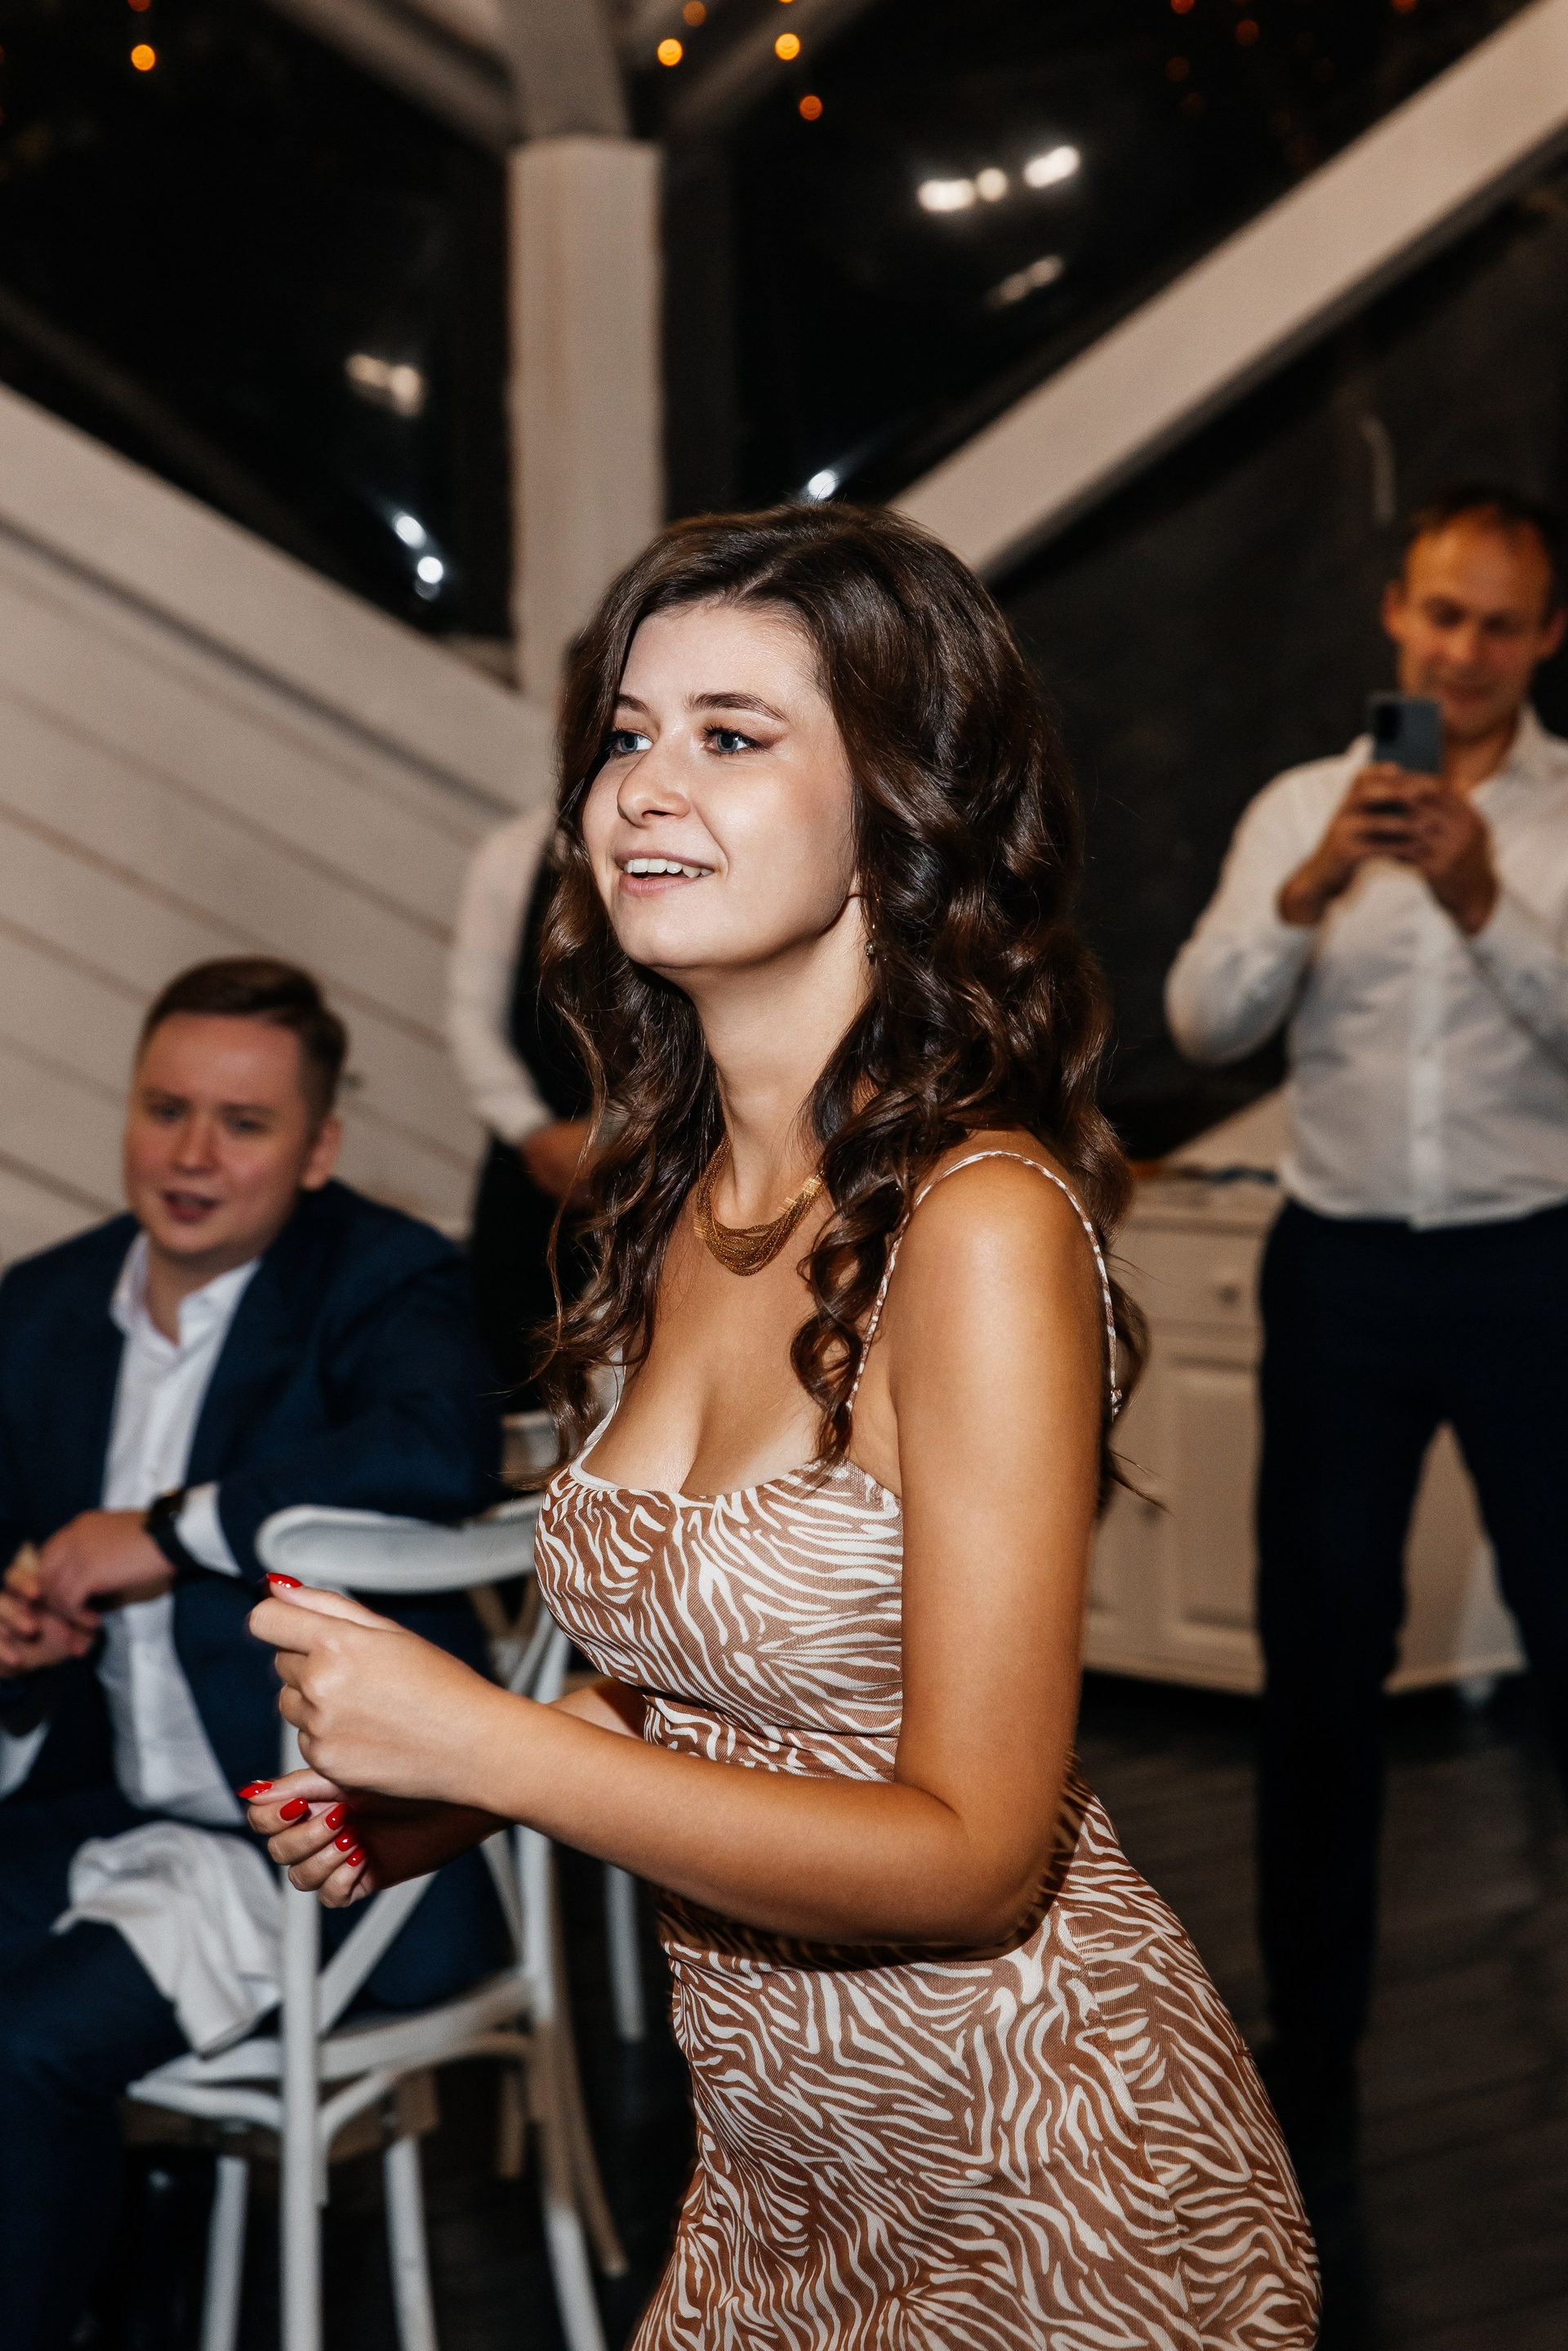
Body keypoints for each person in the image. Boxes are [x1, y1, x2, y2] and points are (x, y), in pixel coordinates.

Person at [245, 505, 1319, 2349]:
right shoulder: (679, 1202)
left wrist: (496, 1745)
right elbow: (729, 1680)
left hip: (1047, 2182)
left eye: (733, 735)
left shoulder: (975, 1227)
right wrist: (435, 1802)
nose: (645, 788)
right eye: (627, 734)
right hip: (779, 2182)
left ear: (900, 812)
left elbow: (974, 1850)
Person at [0, 957, 507, 2351]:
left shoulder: (384, 1276)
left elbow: (441, 1449)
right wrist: (16, 1635)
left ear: (319, 1146)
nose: (192, 1153)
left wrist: (172, 1531)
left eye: (243, 1122)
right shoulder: (39, 1310)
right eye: (166, 1108)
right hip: (101, 1807)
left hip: (322, 1846)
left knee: (24, 2047)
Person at [1165, 484, 1568, 2144]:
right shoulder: (1296, 807)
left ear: (1547, 637)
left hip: (1536, 1269)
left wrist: (1485, 901)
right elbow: (1202, 1020)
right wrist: (1315, 881)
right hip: (1338, 1273)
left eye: (1499, 623)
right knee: (1321, 1666)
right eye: (1440, 613)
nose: (1463, 650)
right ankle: (1310, 2042)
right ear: (1396, 611)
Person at [448, 805, 595, 1401]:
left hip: (644, 1168)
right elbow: (472, 1015)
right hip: (524, 1168)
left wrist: (615, 1135)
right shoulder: (512, 855)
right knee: (505, 1371)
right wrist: (533, 1130)